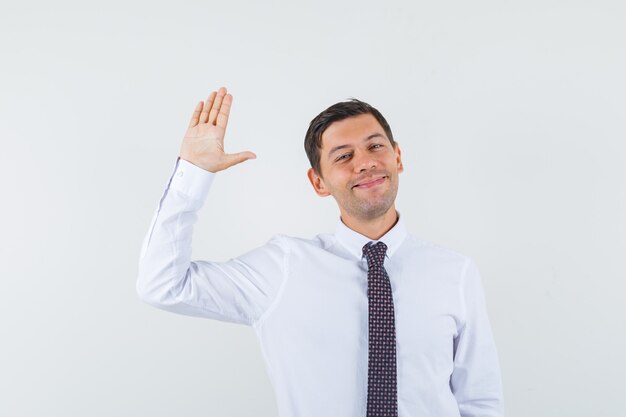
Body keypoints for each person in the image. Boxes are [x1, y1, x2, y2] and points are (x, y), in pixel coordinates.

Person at [136, 86, 504, 417]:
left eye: (375, 146)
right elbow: (163, 285)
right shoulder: (282, 267)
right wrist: (193, 173)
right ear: (319, 183)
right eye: (343, 156)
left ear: (398, 157)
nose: (365, 162)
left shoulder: (455, 272)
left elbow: (479, 400)